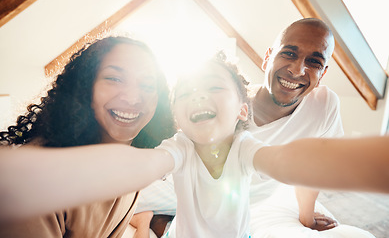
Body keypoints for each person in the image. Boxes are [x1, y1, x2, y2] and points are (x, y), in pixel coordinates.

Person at [1, 51, 389, 237]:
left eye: (214, 88)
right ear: (175, 114)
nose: (198, 97)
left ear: (241, 109)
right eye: (186, 92)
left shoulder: (247, 147)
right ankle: (149, 223)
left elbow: (289, 159)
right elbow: (140, 166)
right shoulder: (179, 148)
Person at [132, 17, 376, 238]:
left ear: (322, 74)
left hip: (243, 201)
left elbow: (313, 166)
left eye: (313, 62)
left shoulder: (324, 106)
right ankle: (148, 221)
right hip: (185, 185)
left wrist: (307, 217)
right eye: (289, 54)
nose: (297, 70)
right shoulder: (228, 105)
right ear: (267, 57)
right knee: (129, 201)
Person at [0, 36, 176, 238]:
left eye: (147, 85)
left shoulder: (130, 169)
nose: (133, 98)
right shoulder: (37, 178)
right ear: (85, 86)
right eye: (114, 79)